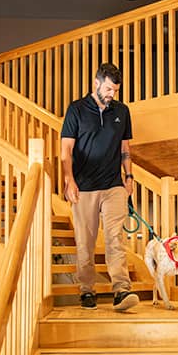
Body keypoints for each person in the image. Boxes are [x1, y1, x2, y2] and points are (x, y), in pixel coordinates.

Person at [60, 63, 138, 312]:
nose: (111, 94)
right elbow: (66, 151)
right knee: (86, 242)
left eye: (115, 90)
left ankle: (121, 290)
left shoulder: (122, 112)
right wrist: (69, 180)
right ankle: (87, 291)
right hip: (84, 187)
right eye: (107, 88)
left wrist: (129, 176)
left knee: (115, 238)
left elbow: (125, 149)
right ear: (96, 83)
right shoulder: (77, 110)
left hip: (113, 185)